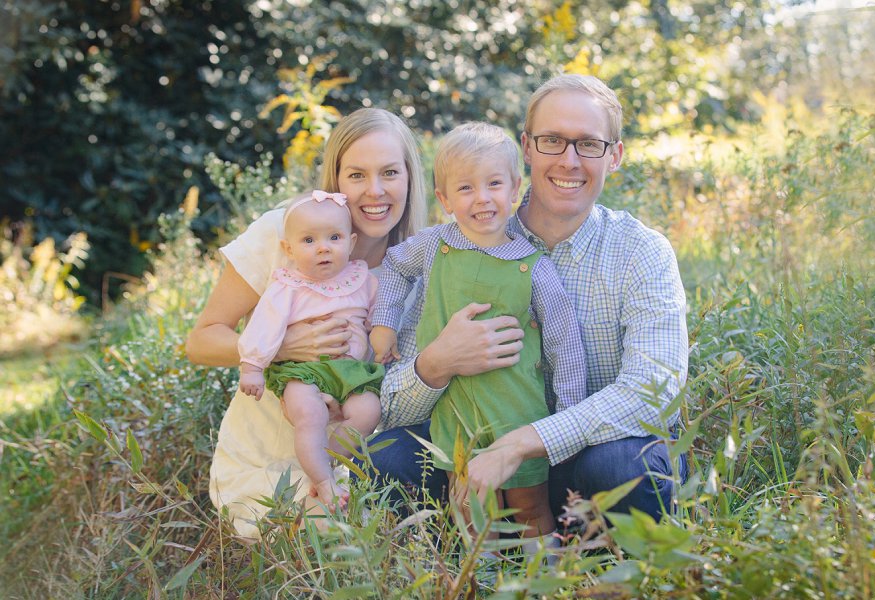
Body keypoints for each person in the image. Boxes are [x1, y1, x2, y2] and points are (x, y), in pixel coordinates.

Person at [372, 74, 689, 522]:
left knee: (622, 464)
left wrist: (524, 443)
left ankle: (602, 570)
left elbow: (654, 392)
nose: (569, 160)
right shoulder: (455, 245)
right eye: (552, 141)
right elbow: (392, 409)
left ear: (614, 156)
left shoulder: (642, 251)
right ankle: (459, 567)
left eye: (589, 145)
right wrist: (437, 362)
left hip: (592, 455)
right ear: (526, 148)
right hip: (475, 448)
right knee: (389, 453)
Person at [186, 108, 428, 539]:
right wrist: (282, 345)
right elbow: (202, 341)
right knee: (315, 547)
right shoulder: (286, 232)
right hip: (266, 463)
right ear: (335, 179)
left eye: (390, 172)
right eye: (356, 175)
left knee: (371, 542)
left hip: (356, 459)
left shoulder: (419, 263)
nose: (375, 191)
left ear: (410, 178)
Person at [369, 122, 585, 549]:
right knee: (466, 506)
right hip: (456, 415)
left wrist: (571, 413)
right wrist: (384, 322)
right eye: (465, 188)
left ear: (515, 189)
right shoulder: (433, 246)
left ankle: (541, 581)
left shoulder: (532, 264)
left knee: (528, 507)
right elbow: (393, 266)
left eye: (493, 184)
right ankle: (480, 579)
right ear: (445, 199)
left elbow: (564, 341)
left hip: (517, 411)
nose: (482, 198)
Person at [237, 192, 383, 514]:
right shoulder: (288, 285)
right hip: (304, 371)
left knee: (368, 411)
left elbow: (380, 317)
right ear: (288, 249)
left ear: (351, 240)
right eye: (308, 240)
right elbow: (265, 326)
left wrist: (385, 339)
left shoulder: (362, 280)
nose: (323, 247)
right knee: (309, 413)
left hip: (351, 371)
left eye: (334, 237)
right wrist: (253, 365)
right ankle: (325, 482)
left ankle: (327, 464)